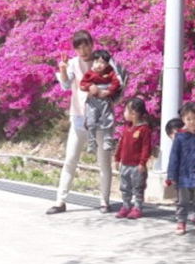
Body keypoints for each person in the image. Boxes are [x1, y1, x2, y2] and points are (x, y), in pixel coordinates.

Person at [47, 30, 114, 215]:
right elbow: (66, 85)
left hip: (100, 118)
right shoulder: (73, 63)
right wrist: (62, 69)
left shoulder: (103, 61)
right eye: (79, 47)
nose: (83, 50)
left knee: (103, 162)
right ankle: (60, 201)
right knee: (70, 160)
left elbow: (116, 86)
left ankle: (104, 201)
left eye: (86, 46)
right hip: (79, 118)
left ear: (92, 44)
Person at [166, 101, 195, 235]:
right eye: (188, 119)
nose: (192, 122)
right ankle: (181, 222)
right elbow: (174, 157)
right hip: (184, 177)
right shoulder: (180, 137)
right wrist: (172, 176)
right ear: (183, 120)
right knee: (183, 201)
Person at [80, 49, 123, 155]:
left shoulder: (110, 72)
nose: (99, 65)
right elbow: (82, 84)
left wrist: (108, 91)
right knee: (91, 121)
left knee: (107, 119)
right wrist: (90, 86)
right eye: (96, 62)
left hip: (105, 99)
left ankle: (107, 141)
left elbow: (116, 83)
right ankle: (91, 143)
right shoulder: (89, 73)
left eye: (102, 62)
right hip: (93, 100)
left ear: (107, 64)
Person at [114, 97, 151, 219]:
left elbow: (146, 147)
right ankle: (126, 206)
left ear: (133, 113)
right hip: (125, 164)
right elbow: (121, 144)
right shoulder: (127, 127)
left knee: (138, 187)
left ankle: (138, 207)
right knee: (125, 186)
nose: (124, 113)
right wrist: (117, 158)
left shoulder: (144, 129)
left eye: (126, 110)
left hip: (136, 166)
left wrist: (142, 162)